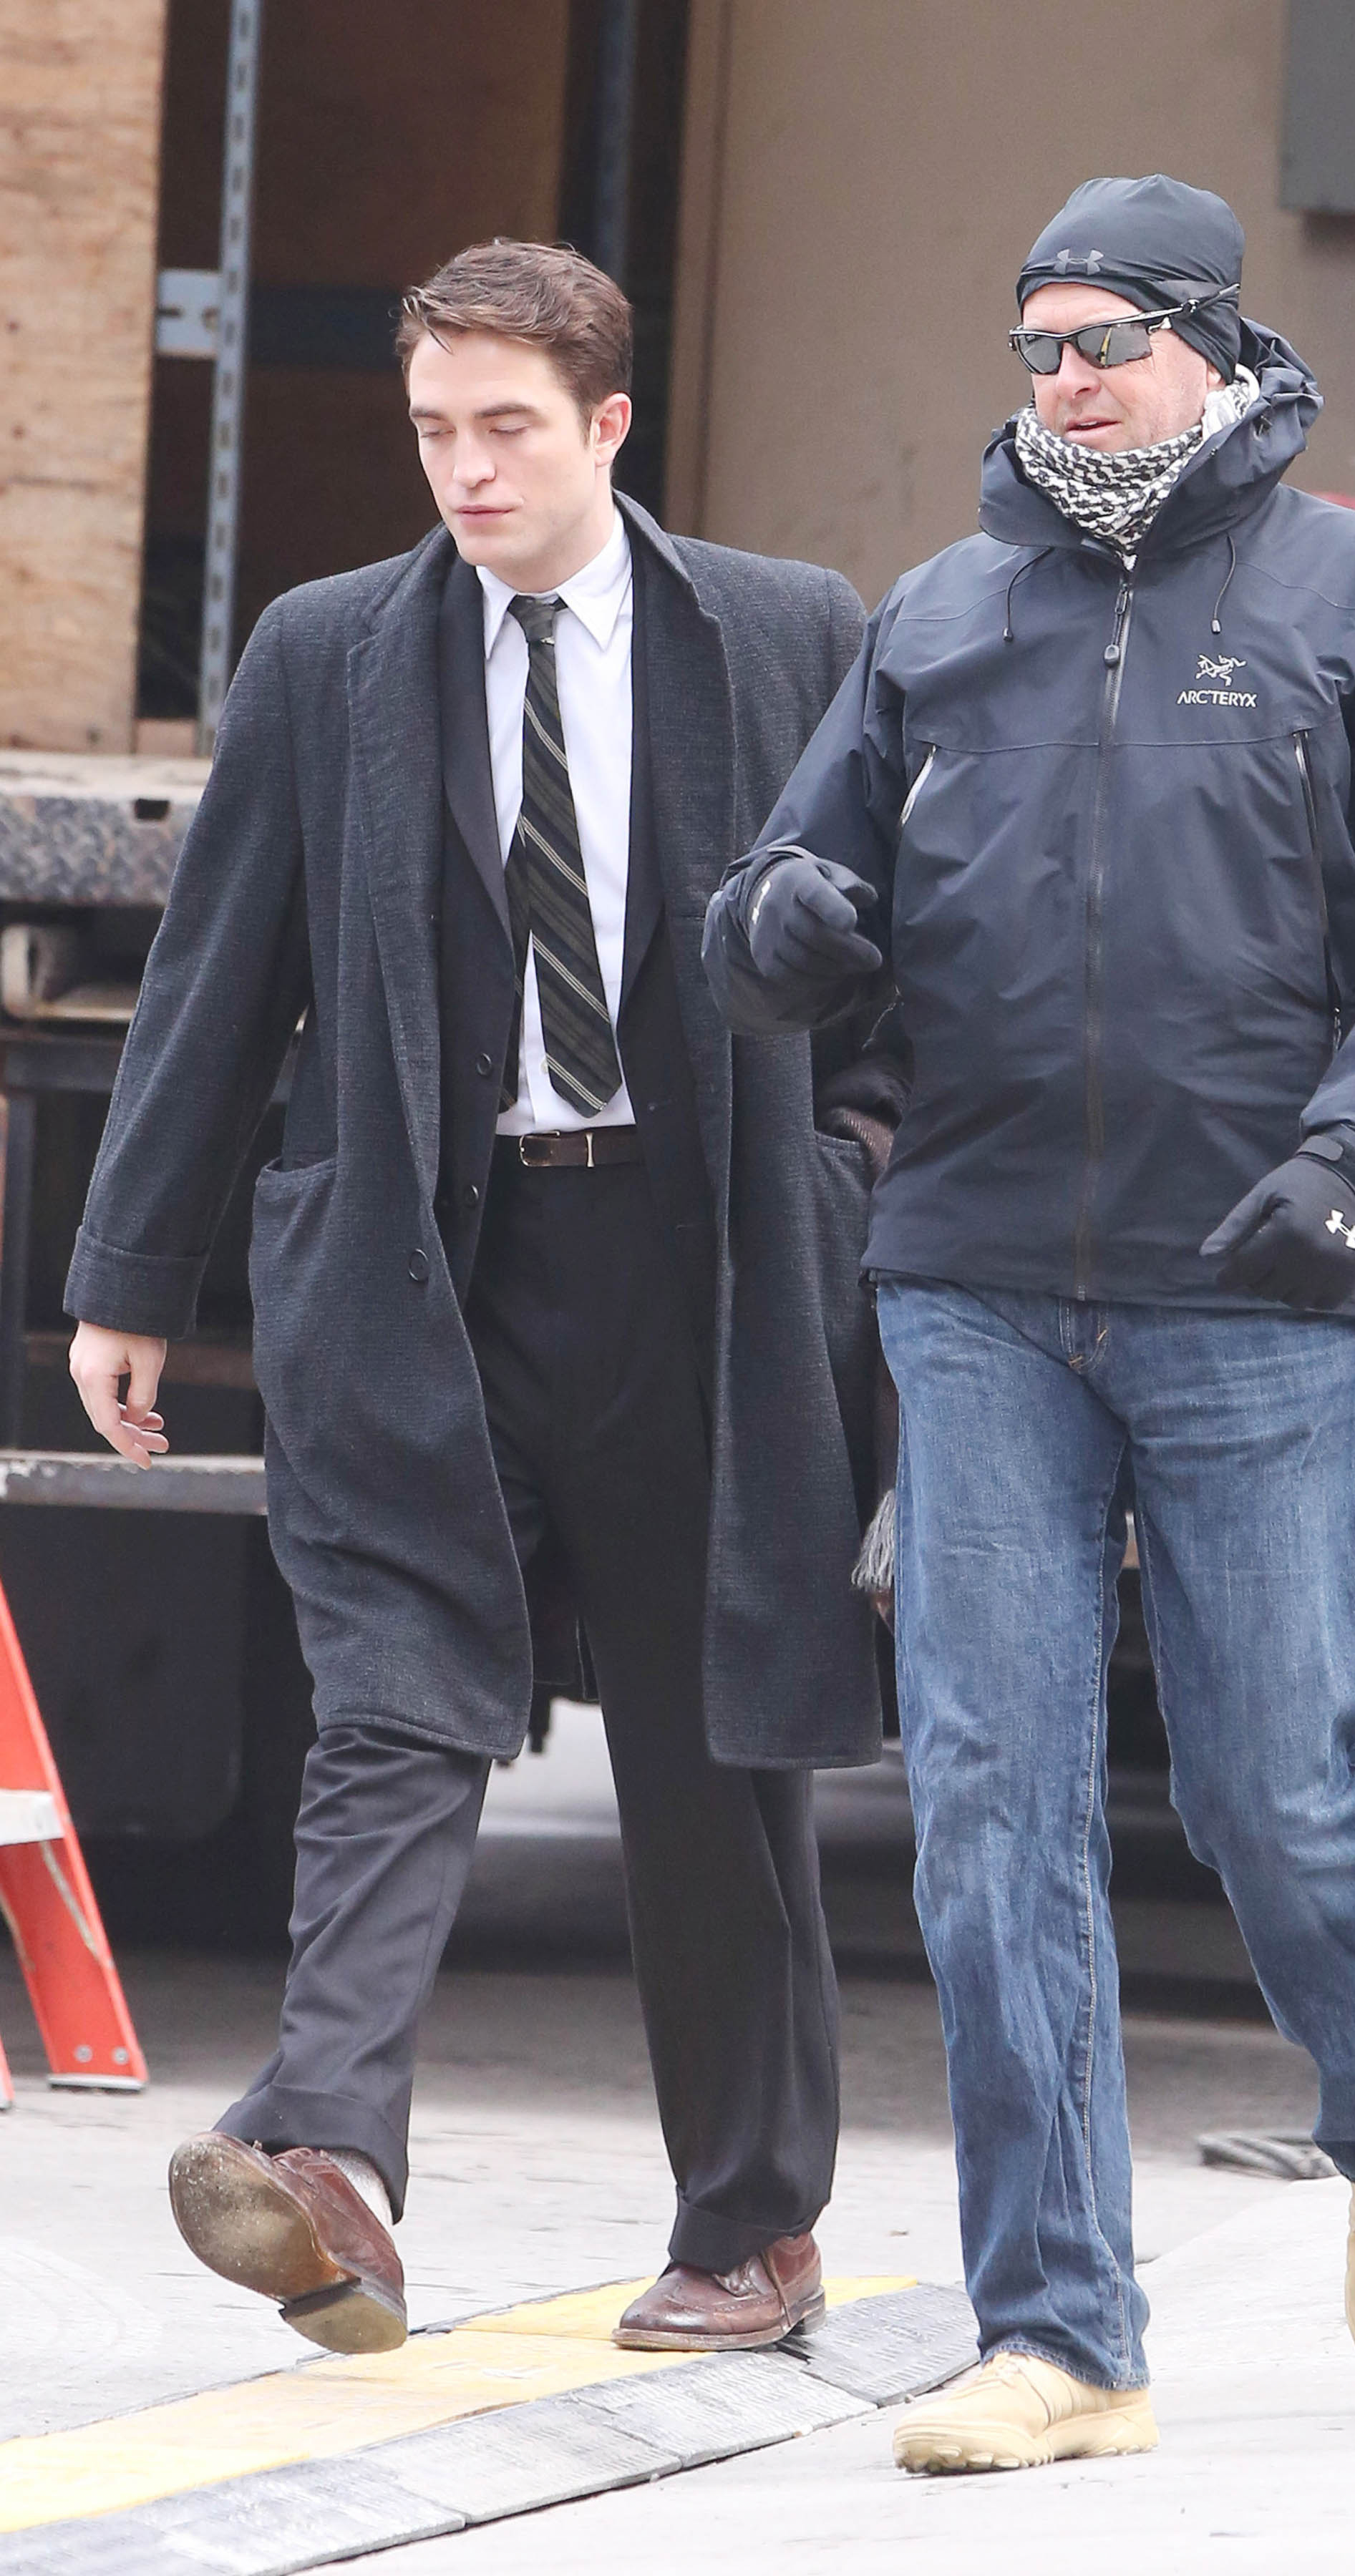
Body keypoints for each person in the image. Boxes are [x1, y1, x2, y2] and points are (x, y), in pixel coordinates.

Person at [704, 174, 1355, 2470]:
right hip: (976, 1282)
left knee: (1282, 1786)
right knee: (990, 1807)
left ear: (1212, 345)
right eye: (1036, 345)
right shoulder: (946, 612)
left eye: (1102, 338)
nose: (1062, 379)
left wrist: (1352, 1154)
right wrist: (780, 924)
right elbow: (780, 889)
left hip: (1263, 1285)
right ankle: (1065, 2333)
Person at [67, 238, 899, 2358]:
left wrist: (855, 1180)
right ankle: (328, 2152)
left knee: (712, 1753)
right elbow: (220, 973)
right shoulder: (329, 651)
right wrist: (131, 1273)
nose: (465, 469)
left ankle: (753, 2226)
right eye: (434, 429)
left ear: (610, 424)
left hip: (697, 1265)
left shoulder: (788, 634)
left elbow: (898, 955)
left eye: (507, 428)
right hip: (418, 1261)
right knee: (395, 1696)